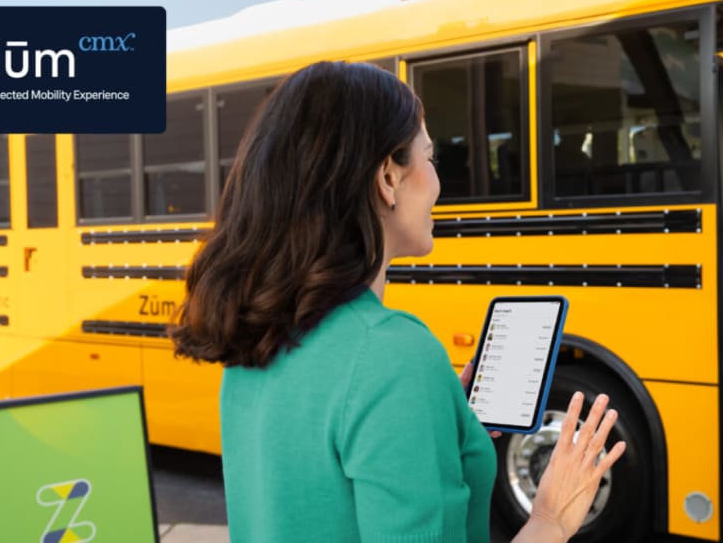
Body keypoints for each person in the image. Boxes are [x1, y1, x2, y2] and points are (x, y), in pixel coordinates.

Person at [170, 61, 626, 543]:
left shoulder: (253, 337)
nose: (437, 182)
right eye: (430, 158)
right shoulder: (392, 356)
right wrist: (550, 521)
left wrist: (433, 414)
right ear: (387, 177)